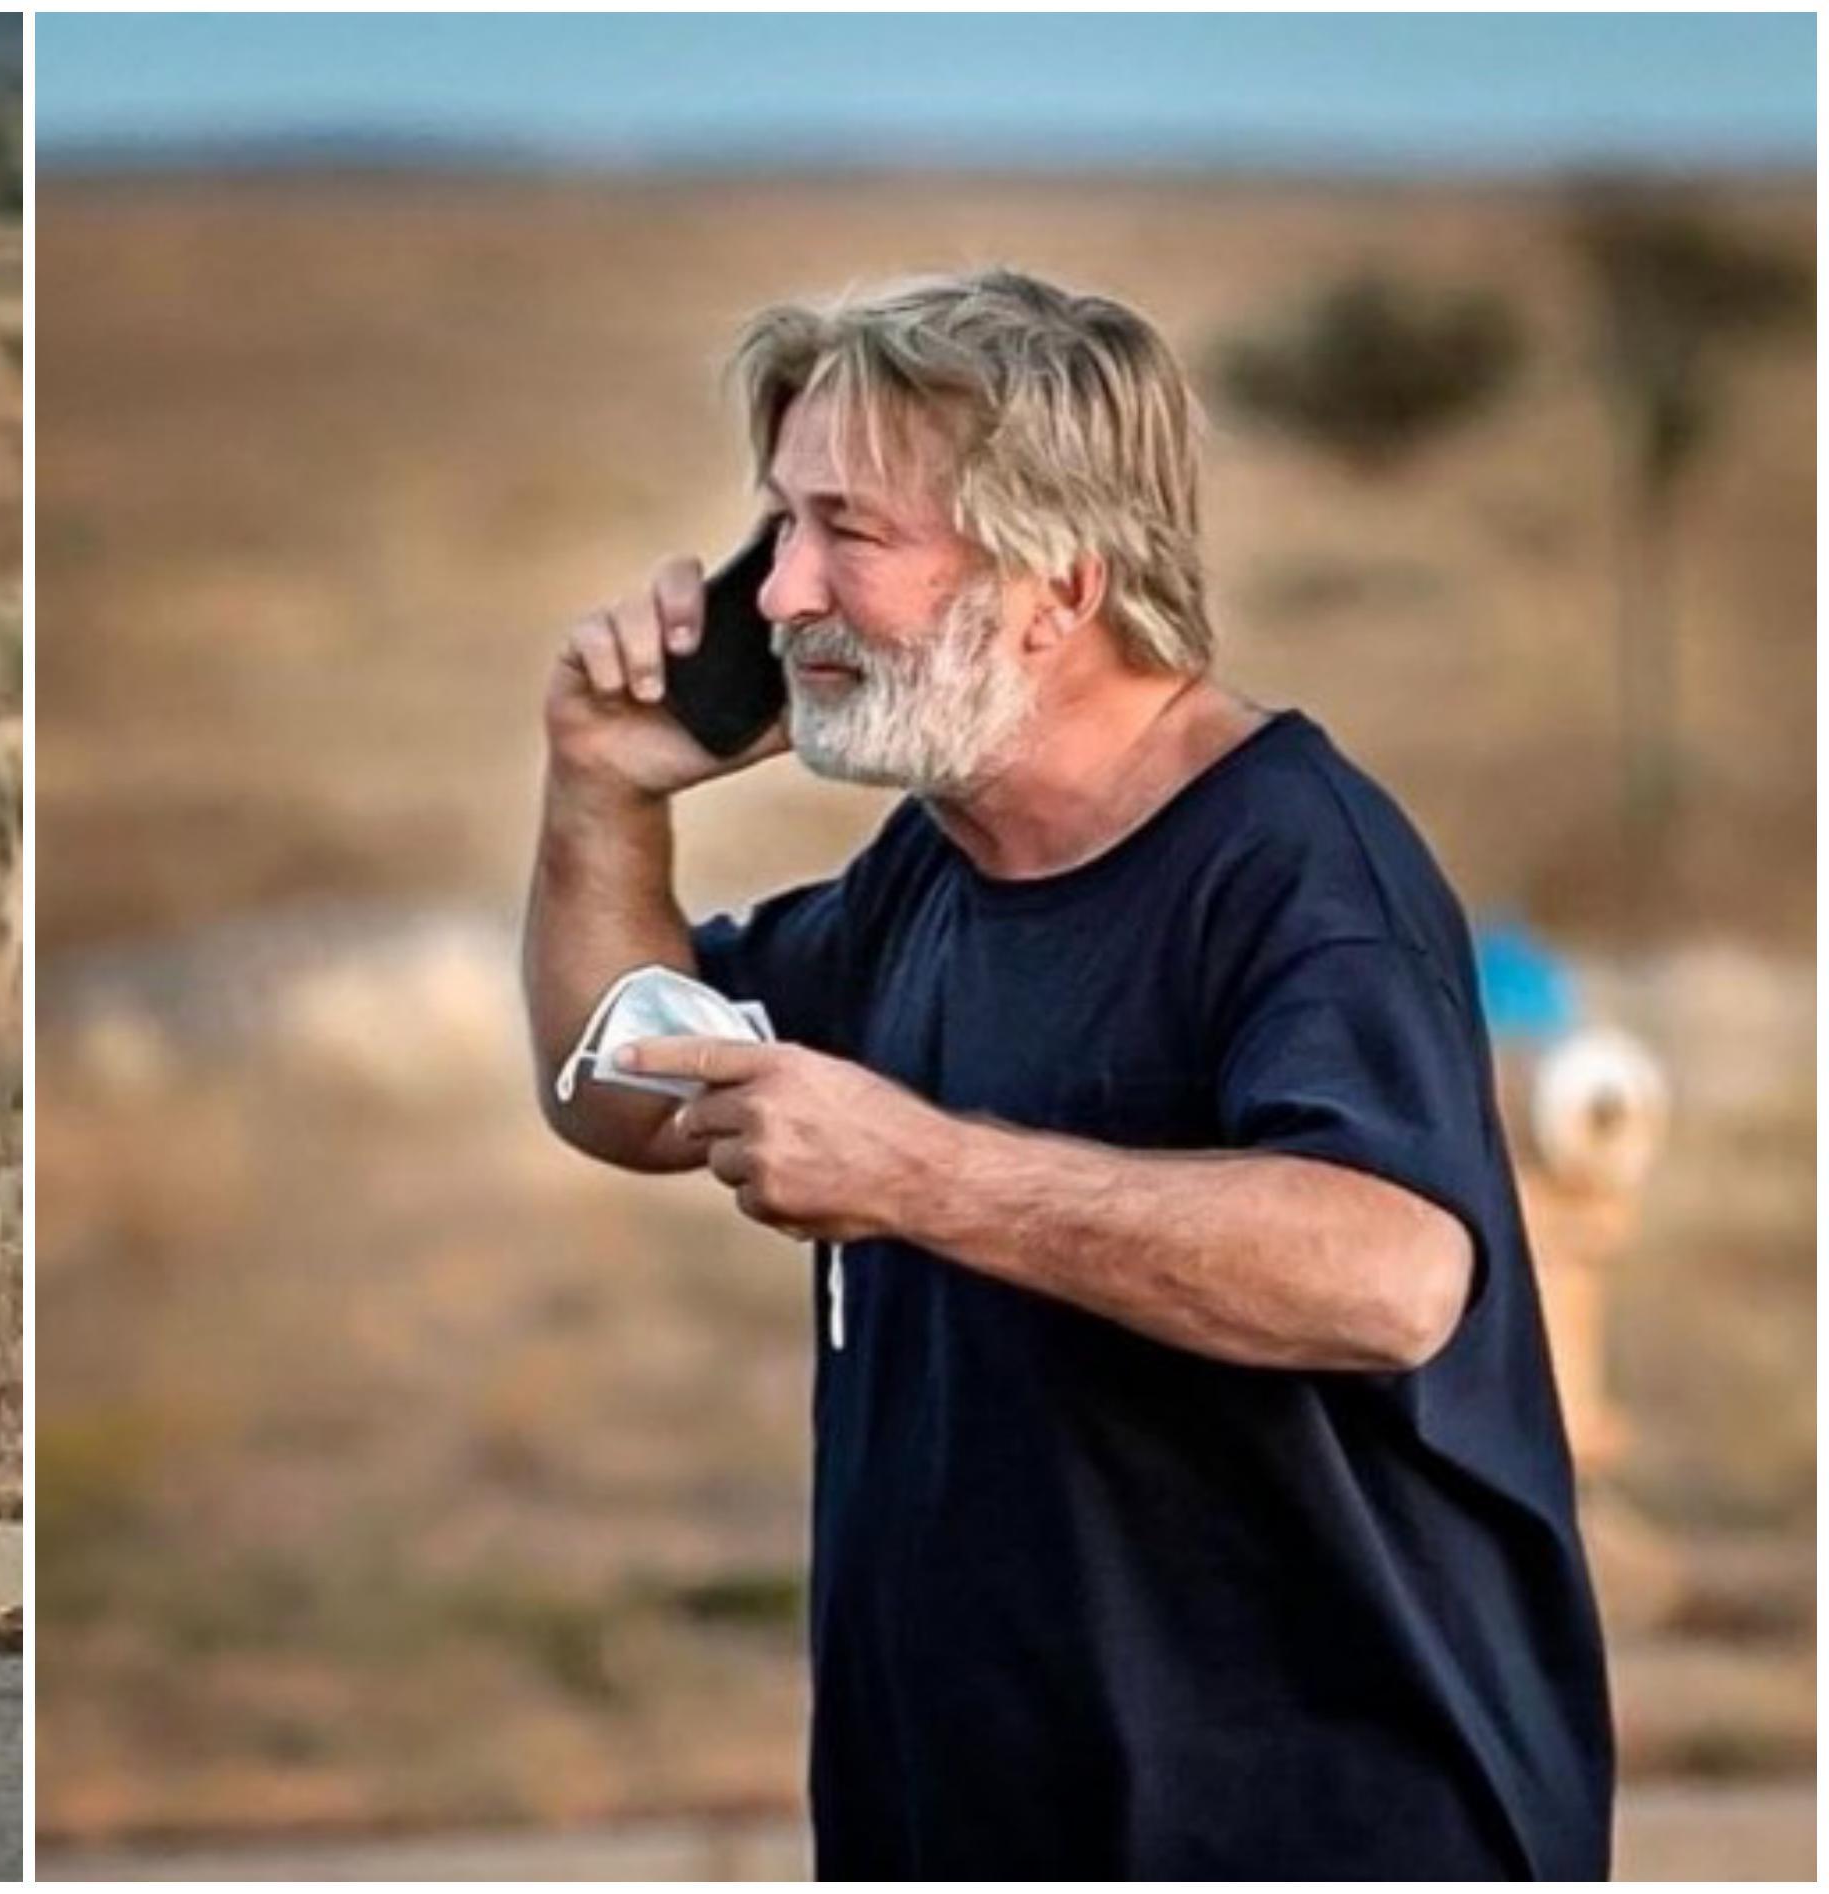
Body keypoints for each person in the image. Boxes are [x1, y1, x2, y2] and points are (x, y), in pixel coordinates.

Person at [521, 268, 1610, 1876]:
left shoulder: (1300, 870)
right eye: (779, 525)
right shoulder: (934, 866)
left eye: (849, 533)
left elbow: (1388, 1273)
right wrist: (604, 793)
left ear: (1060, 583)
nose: (775, 593)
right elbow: (618, 1085)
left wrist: (920, 1171)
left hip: (1316, 1831)